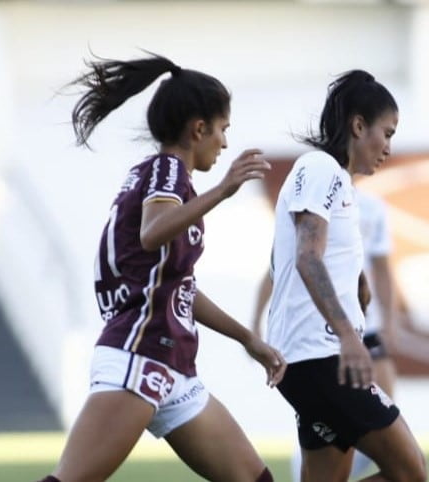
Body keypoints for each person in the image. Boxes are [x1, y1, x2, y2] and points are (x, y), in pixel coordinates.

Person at [36, 52, 287, 482]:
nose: (225, 143)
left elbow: (180, 288)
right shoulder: (168, 170)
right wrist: (225, 188)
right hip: (140, 353)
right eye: (223, 129)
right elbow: (152, 232)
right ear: (199, 128)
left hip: (173, 366)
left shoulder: (164, 179)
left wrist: (247, 337)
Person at [266, 70, 427, 482]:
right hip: (323, 359)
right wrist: (349, 335)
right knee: (410, 472)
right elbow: (307, 256)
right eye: (386, 133)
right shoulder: (322, 168)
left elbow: (314, 252)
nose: (388, 147)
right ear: (358, 126)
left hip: (308, 362)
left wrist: (357, 282)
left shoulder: (340, 186)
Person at [251, 189, 400, 481]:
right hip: (324, 340)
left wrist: (390, 322)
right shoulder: (312, 197)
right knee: (404, 465)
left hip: (366, 330)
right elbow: (281, 267)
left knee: (377, 425)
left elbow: (382, 268)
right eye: (383, 138)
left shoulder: (371, 207)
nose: (385, 147)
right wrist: (256, 323)